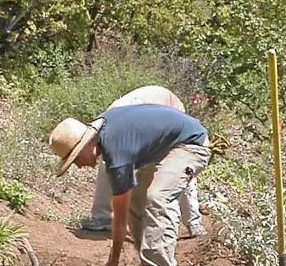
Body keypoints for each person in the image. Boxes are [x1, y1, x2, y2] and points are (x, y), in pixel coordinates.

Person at [49, 103, 210, 266]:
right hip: (163, 147)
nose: (78, 165)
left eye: (75, 158)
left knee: (157, 198)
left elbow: (119, 217)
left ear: (86, 144)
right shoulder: (106, 135)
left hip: (190, 143)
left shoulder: (117, 152)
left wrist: (114, 260)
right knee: (136, 201)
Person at [79, 85, 205, 237]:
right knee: (111, 162)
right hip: (139, 112)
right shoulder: (107, 124)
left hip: (160, 109)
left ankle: (192, 221)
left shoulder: (166, 115)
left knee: (179, 168)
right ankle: (103, 217)